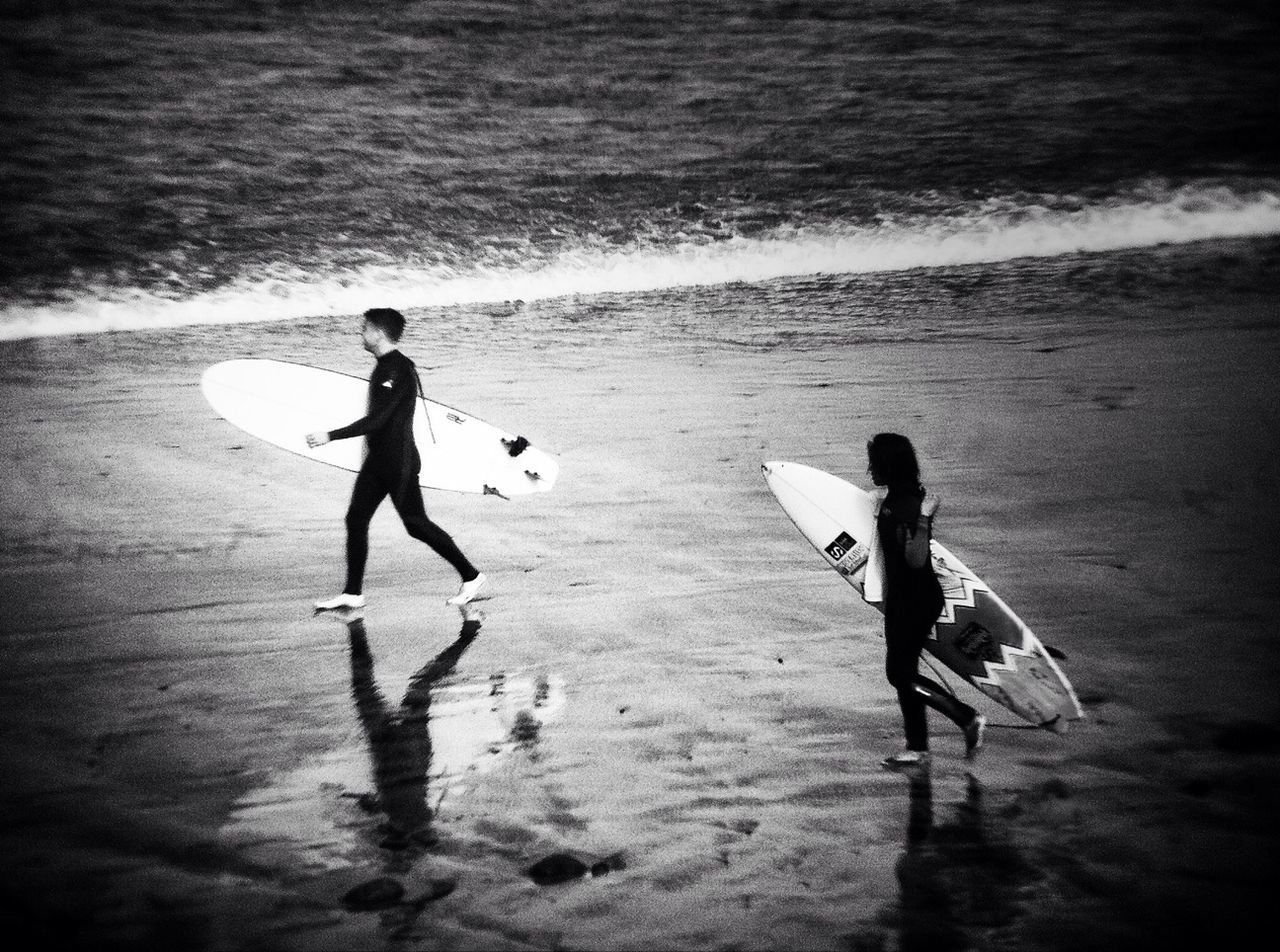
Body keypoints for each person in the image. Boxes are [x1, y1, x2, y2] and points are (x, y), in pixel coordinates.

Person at [307, 308, 487, 610]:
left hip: (398, 462)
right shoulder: (384, 366)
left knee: (415, 523)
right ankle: (353, 592)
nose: (360, 333)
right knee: (356, 518)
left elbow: (379, 420)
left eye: (364, 328)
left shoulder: (397, 369)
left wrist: (330, 436)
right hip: (379, 461)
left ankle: (472, 576)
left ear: (379, 332)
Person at [864, 433, 984, 767]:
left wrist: (924, 519)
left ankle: (967, 718)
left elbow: (916, 559)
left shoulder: (907, 506)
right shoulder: (897, 498)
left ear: (890, 465)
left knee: (900, 675)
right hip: (904, 598)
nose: (870, 469)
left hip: (915, 600)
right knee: (905, 672)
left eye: (875, 463)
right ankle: (917, 747)